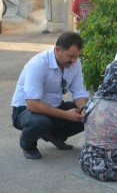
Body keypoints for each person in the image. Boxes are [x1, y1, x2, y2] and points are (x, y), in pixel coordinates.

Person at [11, 32, 89, 160]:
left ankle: (54, 135)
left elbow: (79, 91)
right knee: (41, 123)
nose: (74, 60)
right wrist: (66, 115)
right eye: (70, 56)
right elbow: (32, 104)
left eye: (76, 56)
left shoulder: (75, 62)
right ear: (57, 50)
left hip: (54, 107)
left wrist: (85, 110)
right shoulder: (38, 64)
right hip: (25, 110)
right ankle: (28, 145)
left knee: (91, 114)